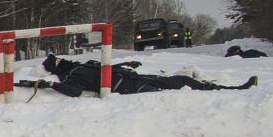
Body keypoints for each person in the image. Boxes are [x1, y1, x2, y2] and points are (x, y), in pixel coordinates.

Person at [37, 54, 257, 97]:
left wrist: (126, 64)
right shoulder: (69, 77)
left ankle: (227, 89)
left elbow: (107, 68)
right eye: (56, 61)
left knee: (183, 81)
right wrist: (51, 85)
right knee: (179, 91)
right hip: (129, 89)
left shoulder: (86, 64)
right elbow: (74, 91)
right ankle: (227, 92)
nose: (61, 59)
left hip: (133, 77)